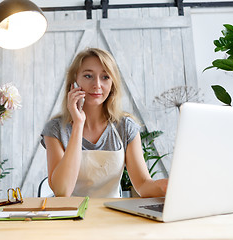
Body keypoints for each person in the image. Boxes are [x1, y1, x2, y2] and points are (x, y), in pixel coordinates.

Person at [41, 48, 168, 198]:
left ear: (113, 83)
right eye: (88, 76)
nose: (97, 85)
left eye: (105, 77)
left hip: (112, 215)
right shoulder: (55, 129)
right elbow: (62, 191)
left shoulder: (126, 127)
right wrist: (78, 124)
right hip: (70, 216)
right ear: (74, 82)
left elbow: (143, 185)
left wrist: (167, 186)